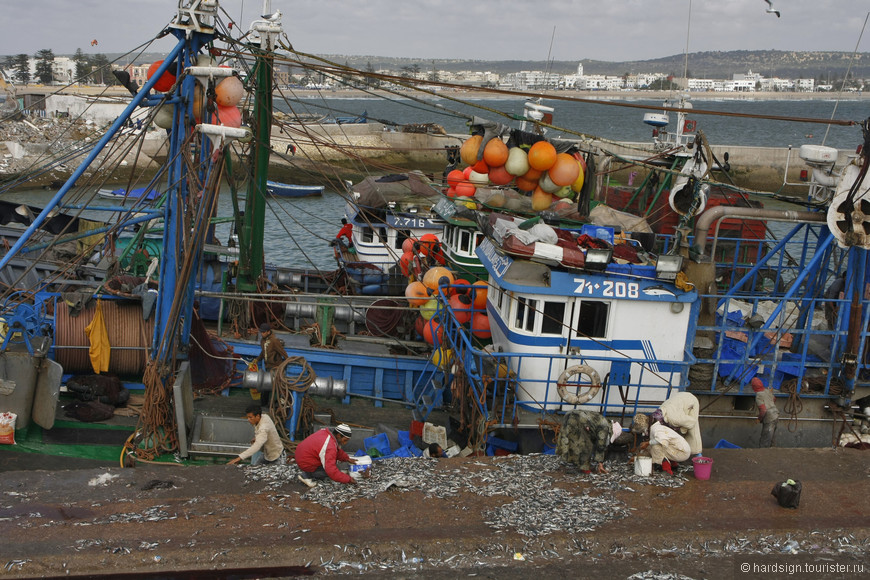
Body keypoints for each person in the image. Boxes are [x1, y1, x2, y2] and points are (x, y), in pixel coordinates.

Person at [632, 391, 702, 473]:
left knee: (693, 431)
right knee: (664, 440)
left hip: (689, 401)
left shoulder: (672, 419)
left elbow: (691, 422)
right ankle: (673, 463)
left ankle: (698, 457)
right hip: (678, 402)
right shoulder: (655, 419)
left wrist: (682, 428)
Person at [294, 424, 361, 487]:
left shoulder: (326, 433)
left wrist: (347, 458)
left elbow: (336, 450)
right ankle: (306, 475)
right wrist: (348, 479)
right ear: (338, 435)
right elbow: (331, 471)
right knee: (329, 472)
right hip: (305, 461)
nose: (345, 443)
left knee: (335, 467)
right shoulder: (329, 445)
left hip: (303, 455)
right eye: (345, 440)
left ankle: (308, 471)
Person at [555, 410, 610, 474]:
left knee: (567, 438)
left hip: (570, 414)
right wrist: (600, 463)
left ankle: (567, 462)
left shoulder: (603, 419)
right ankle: (584, 468)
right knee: (586, 445)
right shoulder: (605, 427)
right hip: (580, 419)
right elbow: (601, 445)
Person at [751, 377, 779, 447]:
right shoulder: (767, 391)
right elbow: (774, 399)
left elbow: (763, 410)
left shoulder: (758, 396)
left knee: (765, 440)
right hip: (775, 415)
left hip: (769, 418)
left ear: (753, 387)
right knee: (772, 437)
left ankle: (762, 455)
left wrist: (759, 418)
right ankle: (773, 452)